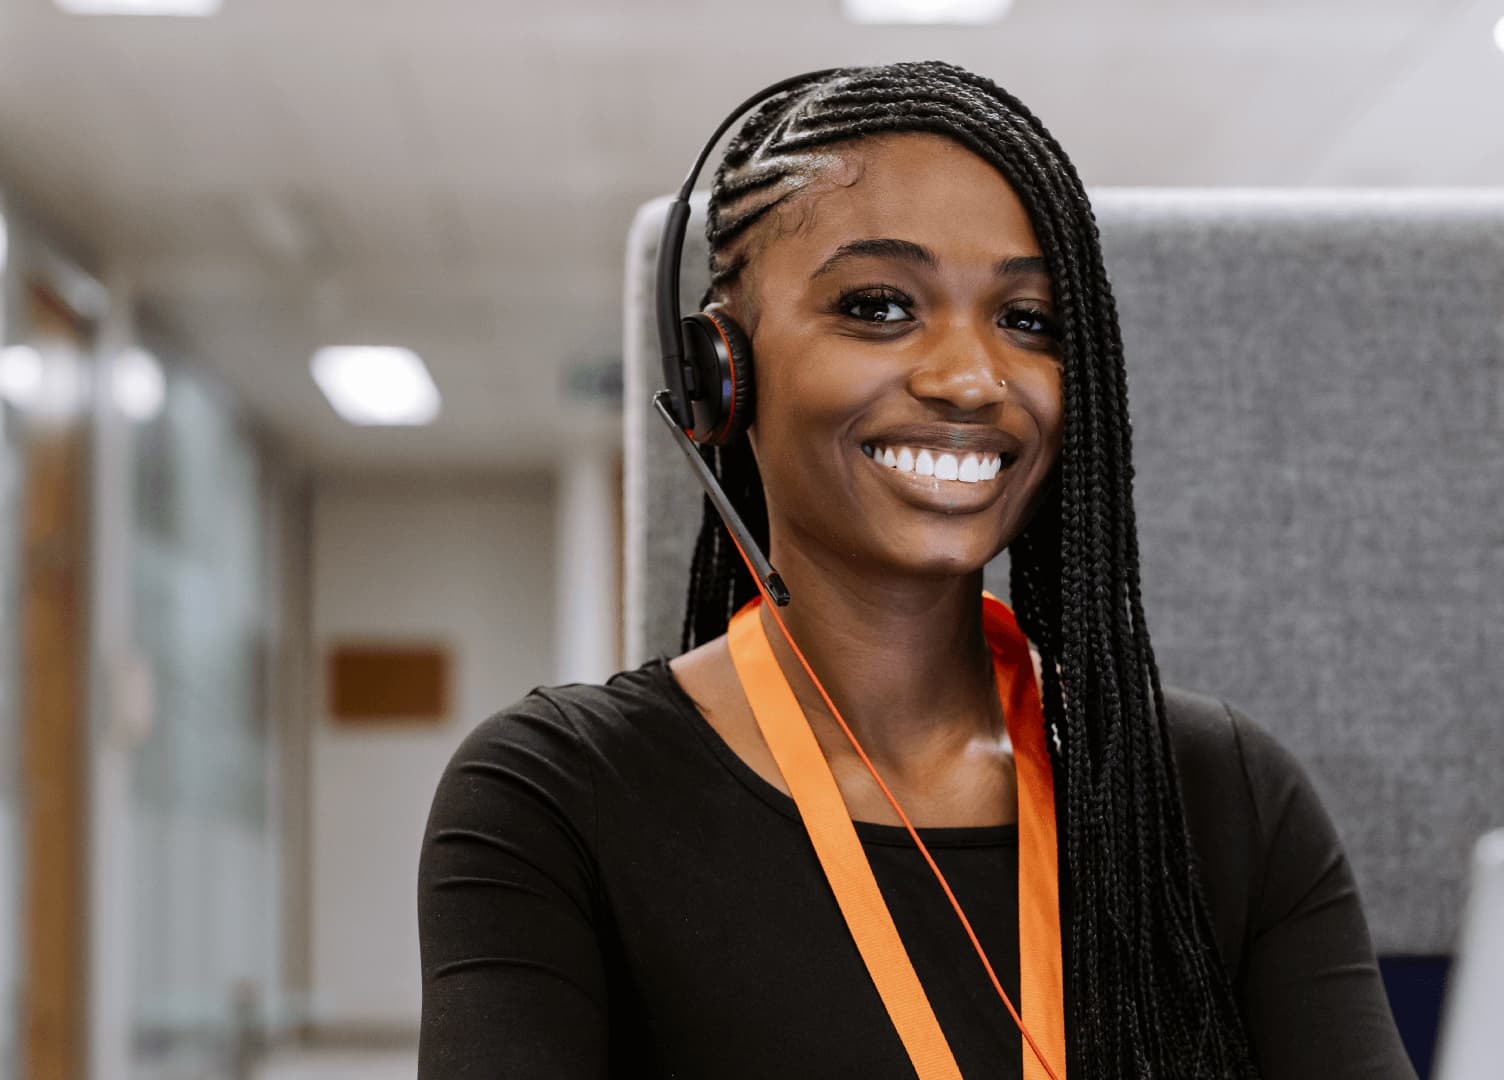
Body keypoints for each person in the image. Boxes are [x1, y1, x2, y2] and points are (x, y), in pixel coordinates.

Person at [418, 60, 1414, 1079]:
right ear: (723, 371)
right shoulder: (558, 798)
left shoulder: (1218, 793)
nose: (970, 378)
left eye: (1027, 321)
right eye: (880, 305)